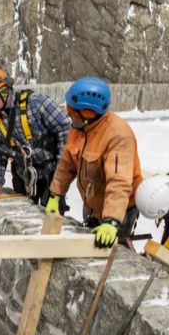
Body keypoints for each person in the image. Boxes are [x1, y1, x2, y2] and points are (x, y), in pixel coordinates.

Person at [44, 77, 143, 248]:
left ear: (87, 113)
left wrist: (111, 221)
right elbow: (67, 163)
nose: (67, 113)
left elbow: (119, 182)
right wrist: (56, 194)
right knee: (88, 248)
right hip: (92, 204)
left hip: (120, 211)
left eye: (72, 110)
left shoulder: (118, 136)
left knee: (109, 253)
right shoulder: (79, 128)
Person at [0, 68, 70, 208]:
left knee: (51, 219)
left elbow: (64, 126)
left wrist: (61, 168)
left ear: (5, 92)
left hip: (50, 172)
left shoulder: (36, 103)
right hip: (24, 175)